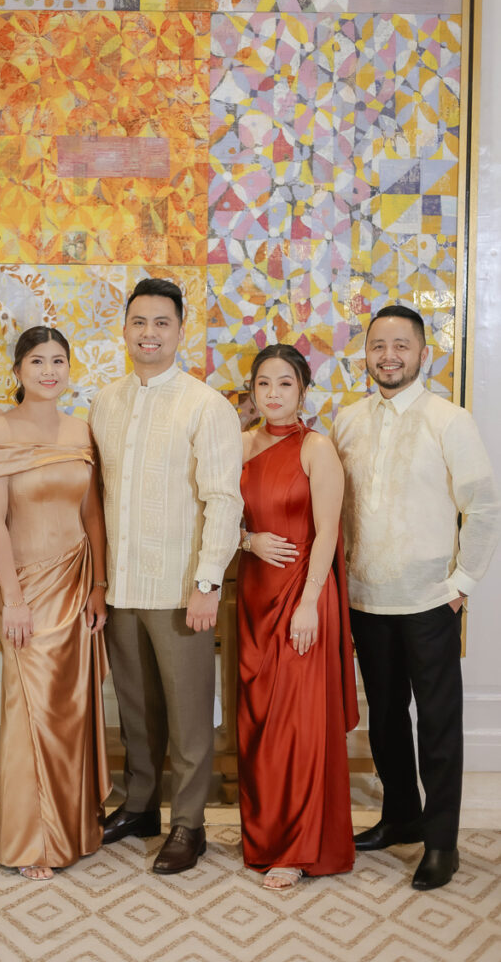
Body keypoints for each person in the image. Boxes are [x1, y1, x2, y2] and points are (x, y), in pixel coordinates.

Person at [332, 304, 500, 891]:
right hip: (365, 598)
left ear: (423, 353)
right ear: (366, 354)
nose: (389, 356)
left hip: (431, 600)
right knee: (384, 719)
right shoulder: (346, 421)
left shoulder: (449, 420)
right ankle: (401, 815)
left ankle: (441, 842)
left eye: (401, 346)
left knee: (437, 724)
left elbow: (484, 506)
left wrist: (462, 585)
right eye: (378, 345)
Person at [89, 278, 243, 874]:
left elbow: (223, 500)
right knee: (136, 709)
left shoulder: (206, 405)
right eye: (139, 322)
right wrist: (100, 582)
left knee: (187, 714)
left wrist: (207, 584)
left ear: (180, 330)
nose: (148, 333)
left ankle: (189, 823)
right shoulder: (105, 401)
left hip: (180, 589)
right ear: (125, 329)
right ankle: (139, 806)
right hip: (121, 585)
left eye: (161, 323)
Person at [0, 326, 111, 880]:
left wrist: (99, 586)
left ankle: (73, 830)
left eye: (58, 361)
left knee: (69, 712)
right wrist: (12, 599)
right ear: (18, 371)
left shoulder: (81, 429)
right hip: (25, 590)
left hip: (76, 584)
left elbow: (93, 514)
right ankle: (31, 840)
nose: (49, 371)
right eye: (37, 361)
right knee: (31, 712)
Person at [237, 344, 359, 890]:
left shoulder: (317, 448)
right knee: (259, 723)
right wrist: (248, 540)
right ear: (253, 390)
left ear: (302, 391)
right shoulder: (240, 445)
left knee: (298, 724)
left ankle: (297, 847)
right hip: (254, 597)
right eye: (264, 383)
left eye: (285, 383)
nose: (273, 394)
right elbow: (217, 515)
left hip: (303, 597)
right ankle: (265, 837)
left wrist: (310, 602)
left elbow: (329, 531)